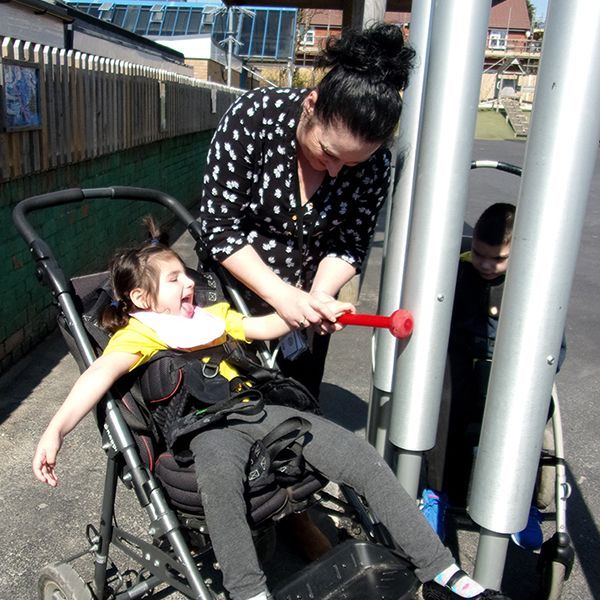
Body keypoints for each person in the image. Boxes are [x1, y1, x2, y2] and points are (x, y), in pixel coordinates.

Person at [33, 222, 508, 600]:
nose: (189, 285)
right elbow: (96, 377)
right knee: (219, 482)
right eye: (174, 278)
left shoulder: (213, 318)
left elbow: (267, 325)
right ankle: (249, 592)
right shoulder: (137, 335)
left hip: (259, 411)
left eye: (187, 274)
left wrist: (312, 310)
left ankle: (443, 572)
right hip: (205, 430)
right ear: (141, 299)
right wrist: (55, 431)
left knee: (355, 453)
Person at [199, 23, 415, 399]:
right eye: (329, 154)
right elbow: (219, 227)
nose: (335, 172)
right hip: (228, 299)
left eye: (352, 165)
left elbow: (350, 242)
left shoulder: (376, 163)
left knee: (294, 408)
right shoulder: (254, 118)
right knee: (225, 408)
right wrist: (283, 296)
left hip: (303, 311)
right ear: (310, 106)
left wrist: (318, 297)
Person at [420, 203, 566, 551]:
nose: (485, 265)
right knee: (441, 400)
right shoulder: (458, 273)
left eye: (497, 259)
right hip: (461, 367)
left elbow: (555, 348)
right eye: (481, 255)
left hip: (508, 368)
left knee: (529, 409)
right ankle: (436, 492)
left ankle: (523, 502)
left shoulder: (532, 285)